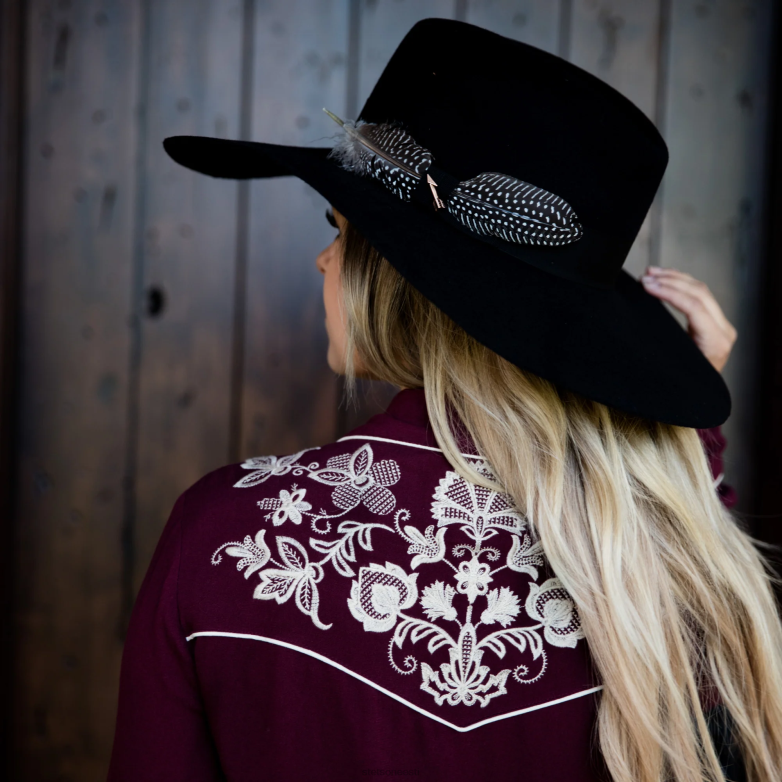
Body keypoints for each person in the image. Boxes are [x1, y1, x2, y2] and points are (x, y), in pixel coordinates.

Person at [109, 18, 782, 782]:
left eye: (340, 229)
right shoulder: (677, 572)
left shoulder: (224, 534)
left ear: (395, 270)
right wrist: (686, 451)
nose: (324, 259)